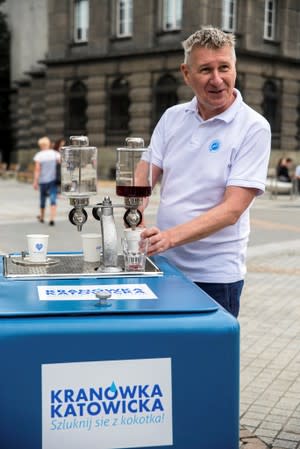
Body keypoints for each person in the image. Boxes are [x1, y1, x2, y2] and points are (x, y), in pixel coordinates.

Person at [138, 26, 271, 317]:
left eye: (224, 67)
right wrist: (134, 215)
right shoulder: (172, 118)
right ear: (186, 73)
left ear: (235, 67)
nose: (217, 79)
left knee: (208, 361)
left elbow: (232, 210)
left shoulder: (253, 127)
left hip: (215, 277)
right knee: (167, 357)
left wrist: (169, 237)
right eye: (205, 69)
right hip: (165, 266)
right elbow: (144, 177)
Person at [33, 136, 61, 226]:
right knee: (53, 198)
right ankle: (52, 218)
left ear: (41, 145)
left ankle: (42, 217)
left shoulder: (39, 155)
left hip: (43, 180)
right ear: (48, 144)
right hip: (53, 180)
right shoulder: (55, 154)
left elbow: (37, 169)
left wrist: (35, 181)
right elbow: (60, 164)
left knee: (42, 199)